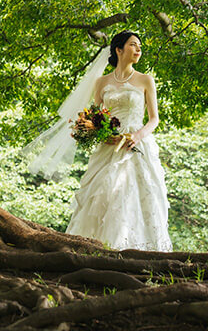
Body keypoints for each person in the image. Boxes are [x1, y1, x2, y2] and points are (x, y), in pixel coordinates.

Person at [65, 31, 171, 251]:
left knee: (136, 193)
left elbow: (154, 119)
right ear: (118, 49)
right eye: (133, 45)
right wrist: (100, 133)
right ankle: (97, 248)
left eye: (140, 46)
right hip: (109, 146)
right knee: (102, 194)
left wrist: (137, 135)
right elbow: (95, 117)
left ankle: (137, 250)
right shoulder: (101, 82)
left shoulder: (145, 80)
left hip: (136, 144)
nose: (139, 49)